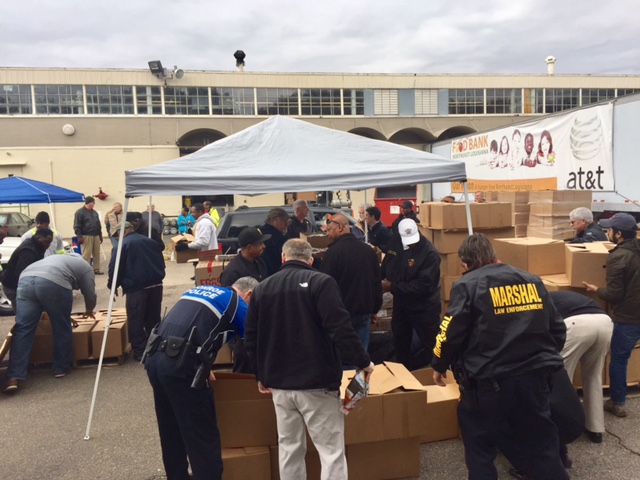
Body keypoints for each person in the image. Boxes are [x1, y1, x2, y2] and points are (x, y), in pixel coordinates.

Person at [431, 233, 568, 480]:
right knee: (542, 447)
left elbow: (449, 332)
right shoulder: (531, 280)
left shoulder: (466, 285)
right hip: (534, 378)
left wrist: (439, 365)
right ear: (494, 255)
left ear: (466, 264)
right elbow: (557, 329)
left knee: (480, 446)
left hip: (488, 383)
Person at [244, 239, 374, 480]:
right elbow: (340, 328)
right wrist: (363, 362)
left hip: (279, 383)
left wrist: (260, 374)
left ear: (283, 258)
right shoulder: (321, 283)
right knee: (330, 451)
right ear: (311, 260)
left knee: (290, 448)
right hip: (317, 381)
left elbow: (251, 337)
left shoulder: (263, 288)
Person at [143, 278, 257, 480]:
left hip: (154, 357)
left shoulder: (201, 290)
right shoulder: (237, 303)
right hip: (181, 366)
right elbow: (254, 343)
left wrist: (205, 364)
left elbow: (192, 326)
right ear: (248, 294)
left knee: (171, 428)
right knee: (202, 435)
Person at [3, 253, 96, 393]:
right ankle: (61, 367)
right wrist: (89, 310)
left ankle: (13, 377)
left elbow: (41, 293)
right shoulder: (85, 266)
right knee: (61, 325)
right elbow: (90, 293)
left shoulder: (53, 260)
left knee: (23, 329)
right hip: (54, 282)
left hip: (25, 281)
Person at [583, 212, 640, 418]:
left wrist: (595, 289)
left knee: (618, 359)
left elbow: (614, 293)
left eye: (609, 229)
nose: (606, 232)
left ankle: (618, 402)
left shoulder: (618, 257)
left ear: (618, 234)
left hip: (629, 317)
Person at [549, 290, 612, 443]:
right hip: (604, 322)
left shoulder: (539, 300)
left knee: (561, 380)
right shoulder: (561, 296)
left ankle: (562, 429)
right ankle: (595, 428)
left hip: (576, 324)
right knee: (593, 375)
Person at [381, 218, 440, 370]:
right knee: (400, 342)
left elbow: (423, 286)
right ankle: (403, 374)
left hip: (424, 307)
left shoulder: (429, 253)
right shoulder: (395, 243)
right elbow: (388, 262)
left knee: (432, 345)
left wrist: (393, 286)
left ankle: (440, 373)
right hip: (402, 305)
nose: (411, 243)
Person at [320, 213, 382, 352]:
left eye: (329, 230)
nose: (327, 234)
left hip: (341, 314)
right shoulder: (368, 251)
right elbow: (376, 282)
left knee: (341, 355)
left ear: (341, 227)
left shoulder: (332, 253)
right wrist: (374, 308)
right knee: (360, 355)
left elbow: (324, 286)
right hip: (364, 312)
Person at [108, 222, 166, 361]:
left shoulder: (122, 244)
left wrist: (113, 285)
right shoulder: (150, 242)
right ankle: (155, 348)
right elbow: (162, 263)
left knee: (136, 320)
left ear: (122, 232)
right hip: (156, 284)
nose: (116, 238)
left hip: (136, 287)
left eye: (116, 235)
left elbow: (115, 267)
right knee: (153, 318)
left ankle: (140, 352)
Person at [0, 228, 53, 311]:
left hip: (16, 284)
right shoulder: (29, 251)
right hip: (13, 287)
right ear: (38, 238)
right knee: (24, 315)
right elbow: (21, 274)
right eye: (46, 242)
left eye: (50, 243)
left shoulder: (36, 245)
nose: (48, 245)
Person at [73, 196, 104, 274]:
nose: (94, 204)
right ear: (89, 203)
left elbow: (98, 224)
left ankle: (96, 269)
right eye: (93, 202)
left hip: (95, 235)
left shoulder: (94, 212)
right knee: (86, 253)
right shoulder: (80, 212)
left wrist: (100, 235)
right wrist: (79, 236)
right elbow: (77, 225)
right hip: (86, 235)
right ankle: (85, 270)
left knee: (96, 253)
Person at [260, 207, 290, 277]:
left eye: (287, 221)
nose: (286, 224)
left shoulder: (262, 231)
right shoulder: (275, 236)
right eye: (283, 220)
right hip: (274, 272)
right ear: (273, 220)